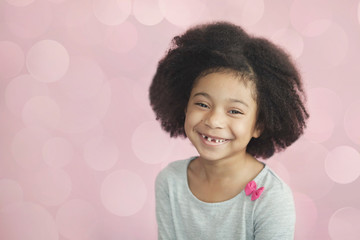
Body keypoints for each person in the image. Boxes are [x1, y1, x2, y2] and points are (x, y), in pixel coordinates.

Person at [149, 21, 309, 240]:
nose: (214, 121)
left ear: (259, 124)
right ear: (184, 105)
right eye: (202, 104)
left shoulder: (272, 198)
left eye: (234, 111)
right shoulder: (170, 181)